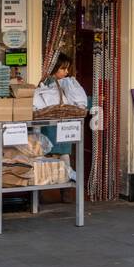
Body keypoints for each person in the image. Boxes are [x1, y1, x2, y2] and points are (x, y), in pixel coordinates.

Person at [35, 53, 88, 199]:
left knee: (46, 161)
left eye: (67, 69)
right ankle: (65, 192)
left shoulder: (63, 84)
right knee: (61, 160)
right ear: (54, 68)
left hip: (57, 129)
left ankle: (45, 194)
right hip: (55, 129)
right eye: (63, 69)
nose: (66, 72)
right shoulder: (49, 84)